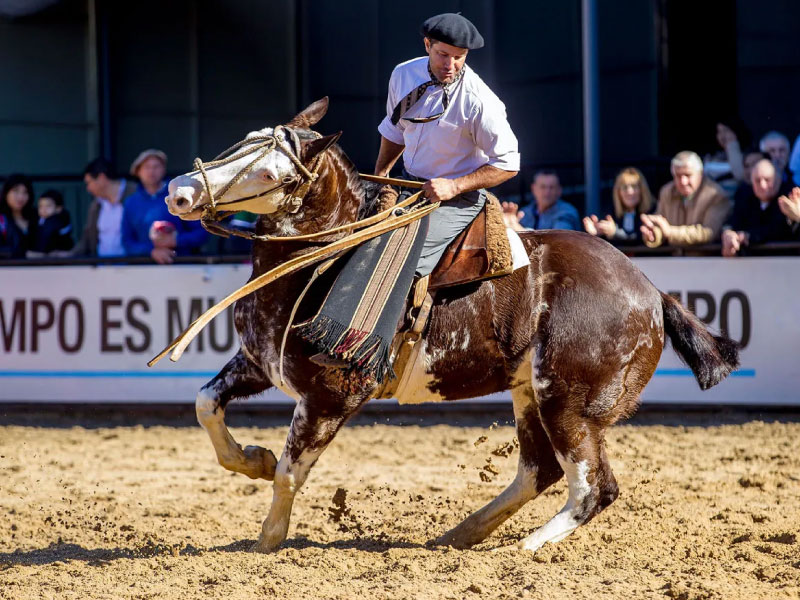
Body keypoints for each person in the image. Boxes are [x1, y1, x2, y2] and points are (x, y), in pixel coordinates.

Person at [375, 12, 519, 276]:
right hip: (411, 184)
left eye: (459, 56)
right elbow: (395, 129)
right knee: (361, 240)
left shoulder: (480, 101)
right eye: (443, 54)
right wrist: (381, 176)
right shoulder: (402, 74)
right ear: (427, 45)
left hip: (459, 199)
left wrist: (454, 186)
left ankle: (414, 316)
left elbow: (508, 164)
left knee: (401, 259)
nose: (450, 65)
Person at [121, 149, 208, 264]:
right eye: (147, 167)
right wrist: (151, 251)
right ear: (138, 172)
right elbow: (127, 242)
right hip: (142, 272)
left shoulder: (180, 195)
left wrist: (175, 241)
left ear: (163, 169)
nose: (151, 171)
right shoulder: (131, 203)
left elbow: (202, 232)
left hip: (184, 268)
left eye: (156, 166)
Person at [640, 151, 731, 248]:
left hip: (704, 260)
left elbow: (708, 232)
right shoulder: (667, 192)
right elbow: (661, 226)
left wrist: (670, 232)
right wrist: (653, 234)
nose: (683, 181)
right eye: (678, 176)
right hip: (673, 259)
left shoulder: (716, 195)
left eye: (688, 175)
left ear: (700, 174)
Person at [721, 158, 796, 257]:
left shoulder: (790, 196)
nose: (763, 185)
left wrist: (749, 236)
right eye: (757, 180)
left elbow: (781, 229)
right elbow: (734, 221)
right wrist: (729, 234)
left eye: (767, 180)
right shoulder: (745, 196)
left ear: (778, 179)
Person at [71, 158, 137, 257]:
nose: (88, 188)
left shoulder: (136, 195)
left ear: (101, 178)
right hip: (101, 267)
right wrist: (68, 255)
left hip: (135, 267)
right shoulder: (96, 206)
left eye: (89, 182)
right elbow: (87, 240)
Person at [583, 167, 653, 245]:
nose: (630, 192)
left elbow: (639, 239)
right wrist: (597, 234)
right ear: (618, 192)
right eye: (625, 187)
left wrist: (615, 233)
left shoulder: (652, 212)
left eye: (634, 186)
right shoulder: (611, 213)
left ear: (642, 190)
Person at [503, 170, 580, 232]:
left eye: (551, 187)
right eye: (543, 187)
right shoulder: (525, 212)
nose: (547, 192)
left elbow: (558, 242)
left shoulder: (567, 213)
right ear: (533, 189)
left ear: (559, 190)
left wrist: (518, 229)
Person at [27, 189, 73, 257]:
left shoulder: (60, 221)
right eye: (41, 206)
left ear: (58, 208)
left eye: (48, 206)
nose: (43, 209)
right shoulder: (36, 221)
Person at [0, 173, 36, 258]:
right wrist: (23, 253)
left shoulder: (37, 216)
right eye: (16, 191)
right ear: (6, 193)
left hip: (42, 269)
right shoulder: (2, 220)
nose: (21, 197)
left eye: (25, 192)